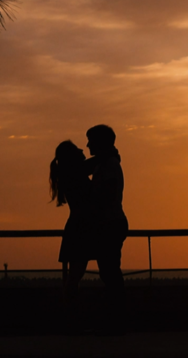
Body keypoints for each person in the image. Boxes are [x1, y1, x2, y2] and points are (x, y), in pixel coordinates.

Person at [84, 124, 128, 320]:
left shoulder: (108, 164)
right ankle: (115, 318)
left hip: (110, 223)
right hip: (112, 222)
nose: (88, 145)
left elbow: (108, 195)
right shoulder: (106, 162)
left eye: (91, 141)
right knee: (109, 272)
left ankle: (116, 319)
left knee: (110, 273)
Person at [49, 140, 95, 303]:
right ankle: (70, 310)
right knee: (75, 275)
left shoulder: (71, 174)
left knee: (75, 274)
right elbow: (94, 163)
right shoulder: (74, 173)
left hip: (77, 227)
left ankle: (70, 309)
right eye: (77, 149)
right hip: (80, 228)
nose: (82, 150)